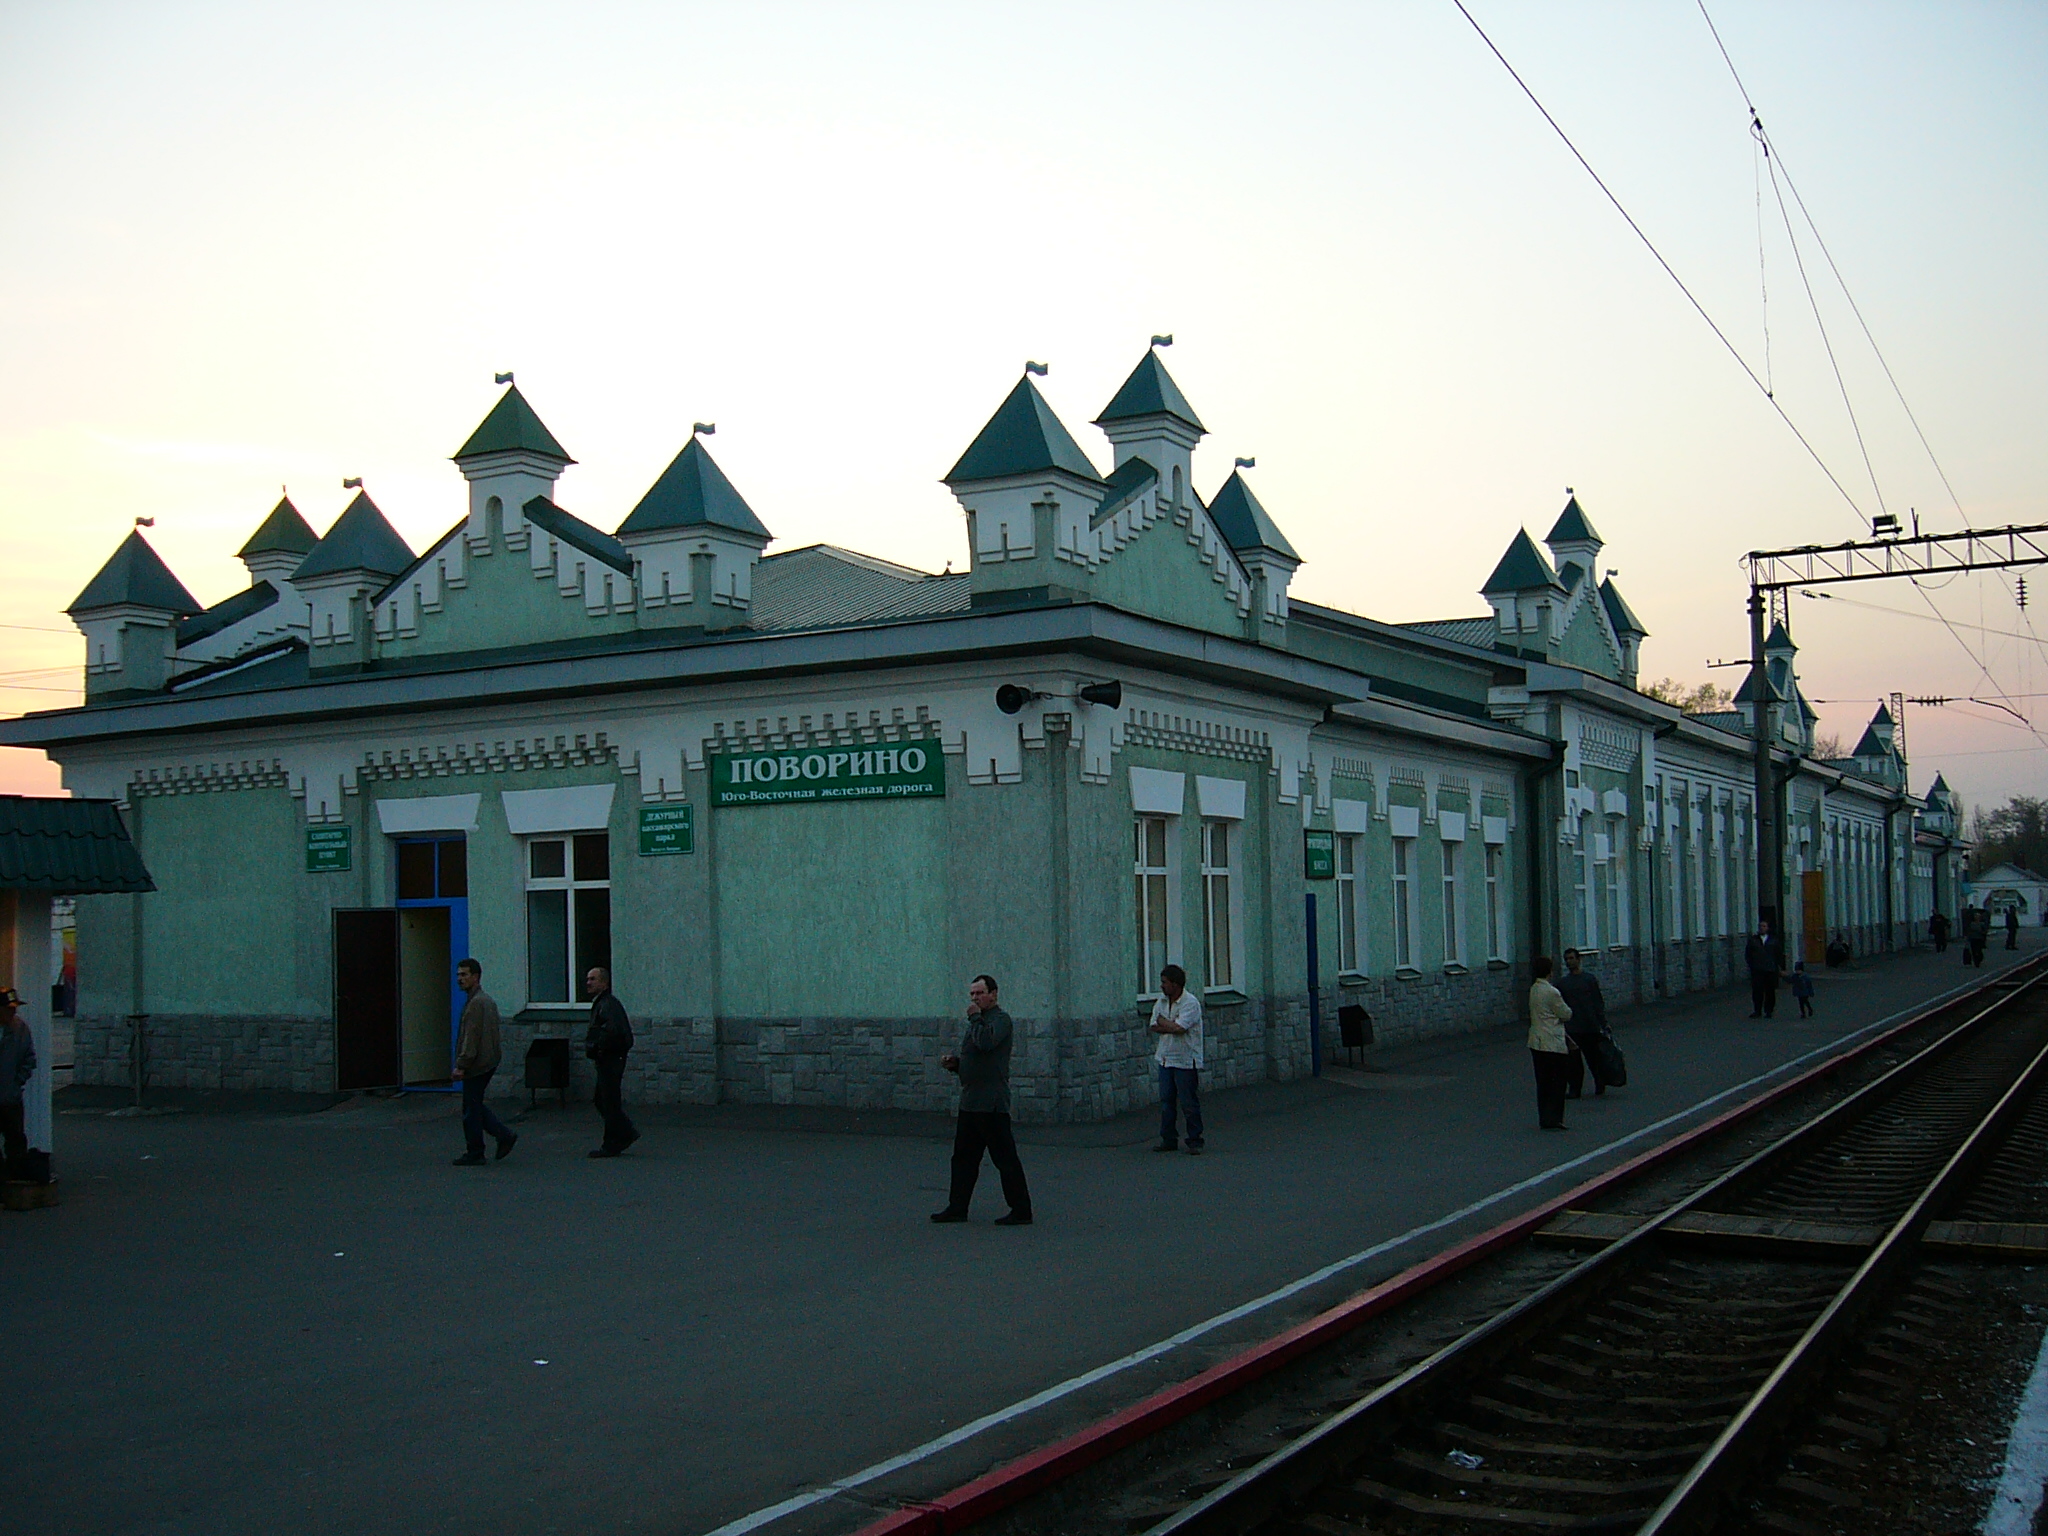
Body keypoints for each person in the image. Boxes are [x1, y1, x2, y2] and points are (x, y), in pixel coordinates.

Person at [931, 974, 1032, 1225]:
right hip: (971, 1102)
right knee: (963, 1159)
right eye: (972, 994)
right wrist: (957, 1065)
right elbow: (977, 1059)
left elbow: (986, 1043)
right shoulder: (979, 1023)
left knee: (1004, 1159)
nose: (975, 999)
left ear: (993, 994)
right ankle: (957, 1207)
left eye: (980, 993)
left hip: (991, 1104)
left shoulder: (1000, 1020)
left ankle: (1021, 1210)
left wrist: (975, 1017)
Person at [450, 959, 517, 1166]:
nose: (460, 979)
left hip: (477, 1064)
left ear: (476, 977)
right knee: (474, 1104)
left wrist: (462, 1065)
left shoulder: (476, 1004)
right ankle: (502, 1136)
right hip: (486, 1061)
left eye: (464, 975)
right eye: (458, 975)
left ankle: (477, 1150)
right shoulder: (485, 1000)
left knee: (471, 1109)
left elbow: (471, 1038)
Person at [1149, 963, 1205, 1153]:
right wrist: (1170, 1025)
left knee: (1188, 1102)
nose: (1162, 986)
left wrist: (1165, 1023)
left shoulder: (1190, 1003)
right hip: (1165, 1058)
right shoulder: (1161, 1002)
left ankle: (1195, 1140)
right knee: (1166, 1101)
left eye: (1165, 982)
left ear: (1175, 984)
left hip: (1185, 1060)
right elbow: (1154, 1025)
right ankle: (1169, 1139)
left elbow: (1181, 1028)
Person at [583, 967, 638, 1158]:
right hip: (609, 1058)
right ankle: (625, 1132)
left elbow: (611, 1032)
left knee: (609, 1101)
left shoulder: (607, 1004)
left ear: (604, 983)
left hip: (610, 1059)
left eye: (593, 979)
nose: (588, 983)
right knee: (603, 1100)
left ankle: (613, 1142)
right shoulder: (604, 1003)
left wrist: (598, 1049)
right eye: (588, 979)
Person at [1556, 948, 1608, 1100]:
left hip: (1590, 1026)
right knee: (1573, 1062)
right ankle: (1575, 1088)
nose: (1569, 961)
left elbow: (1597, 1002)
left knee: (1593, 1058)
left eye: (1571, 958)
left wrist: (1603, 1023)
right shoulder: (1563, 984)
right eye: (1567, 959)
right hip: (1572, 1028)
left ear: (1578, 960)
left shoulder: (1589, 980)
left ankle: (1600, 1082)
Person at [1528, 958, 1573, 1130]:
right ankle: (1555, 1117)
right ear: (1550, 971)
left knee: (1543, 1082)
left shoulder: (1534, 989)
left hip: (1536, 1040)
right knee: (1558, 1082)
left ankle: (1544, 1117)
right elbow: (1566, 1014)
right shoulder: (1552, 992)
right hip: (1552, 1041)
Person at [0, 989, 36, 1178]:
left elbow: (29, 1058)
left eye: (14, 1008)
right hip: (10, 1094)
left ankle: (15, 1176)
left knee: (16, 1140)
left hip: (10, 1097)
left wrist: (17, 1082)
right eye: (8, 1009)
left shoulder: (19, 1028)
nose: (12, 1012)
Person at [1744, 919, 1784, 1019]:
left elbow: (1779, 954)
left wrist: (1781, 967)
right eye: (1760, 926)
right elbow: (1748, 954)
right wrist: (1752, 965)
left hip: (1771, 969)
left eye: (1764, 926)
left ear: (1768, 928)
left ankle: (1769, 1010)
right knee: (1757, 991)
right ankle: (1757, 1010)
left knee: (1770, 991)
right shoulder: (1753, 940)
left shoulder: (1773, 940)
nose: (1762, 928)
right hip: (1757, 969)